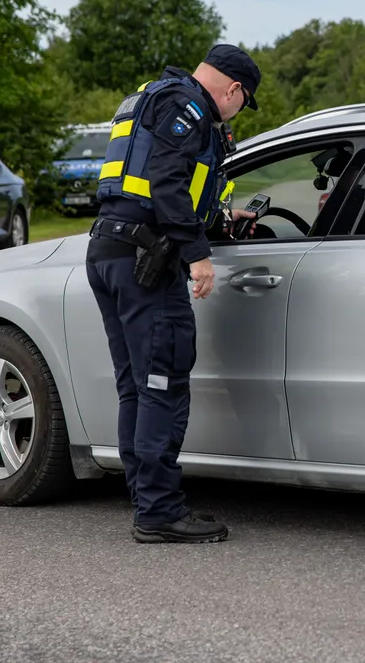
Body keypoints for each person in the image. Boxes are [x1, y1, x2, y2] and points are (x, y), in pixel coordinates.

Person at [85, 43, 263, 544]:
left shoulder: (153, 98)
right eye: (240, 102)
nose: (234, 112)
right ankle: (160, 512)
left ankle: (147, 499)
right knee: (162, 383)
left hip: (111, 250)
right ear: (232, 89)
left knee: (138, 387)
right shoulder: (187, 107)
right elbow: (165, 185)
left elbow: (154, 183)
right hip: (148, 261)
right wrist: (197, 254)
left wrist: (221, 218)